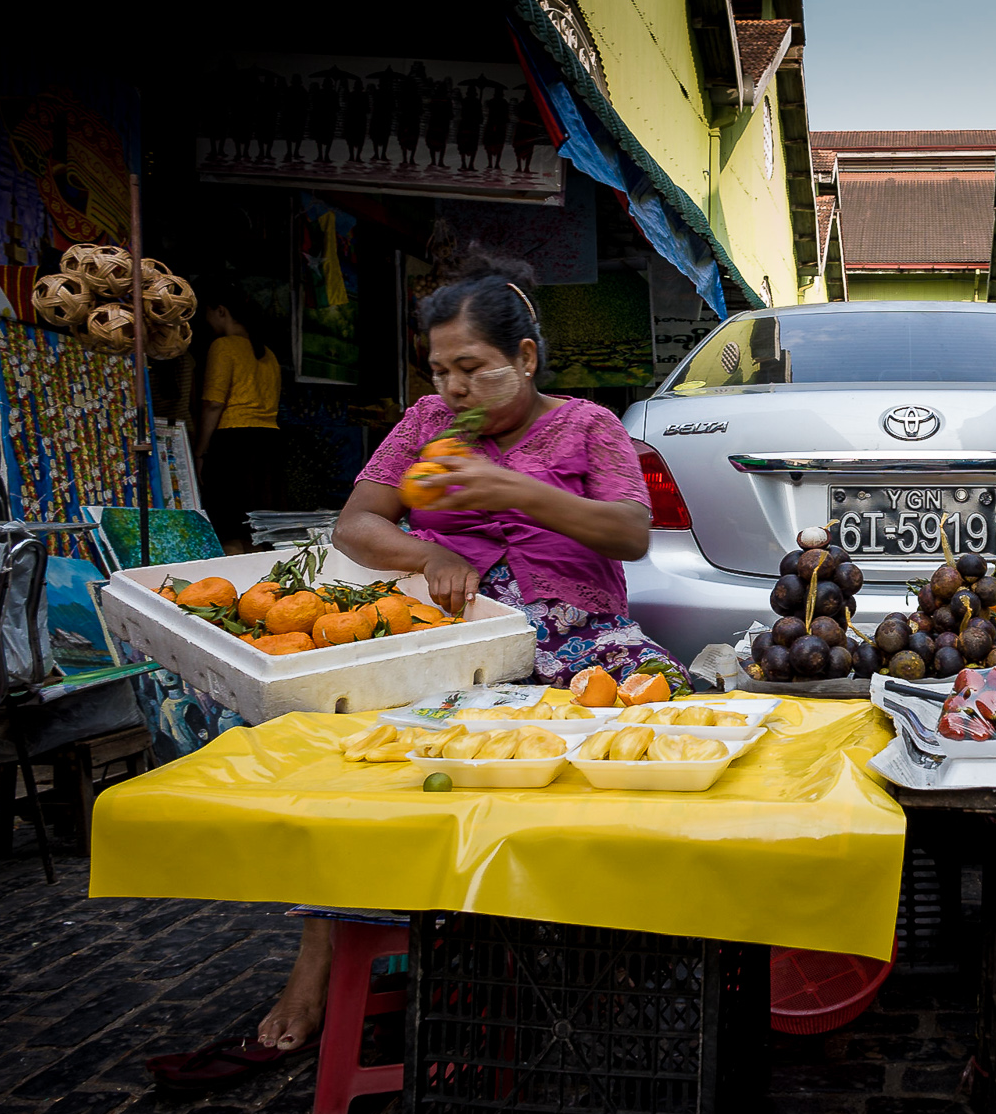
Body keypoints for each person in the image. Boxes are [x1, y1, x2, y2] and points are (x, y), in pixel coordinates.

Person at [254, 251, 689, 1053]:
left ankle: (619, 923)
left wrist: (519, 492)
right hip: (455, 632)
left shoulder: (589, 425)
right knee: (356, 752)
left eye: (473, 369)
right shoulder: (423, 424)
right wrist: (427, 556)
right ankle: (319, 950)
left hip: (576, 629)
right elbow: (357, 523)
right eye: (439, 368)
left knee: (667, 711)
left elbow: (631, 532)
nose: (452, 388)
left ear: (524, 358)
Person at [194, 296, 282, 550]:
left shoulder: (223, 346)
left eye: (208, 313)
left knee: (229, 525)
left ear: (221, 310)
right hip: (268, 445)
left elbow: (213, 403)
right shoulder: (269, 354)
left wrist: (199, 451)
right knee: (260, 527)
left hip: (234, 443)